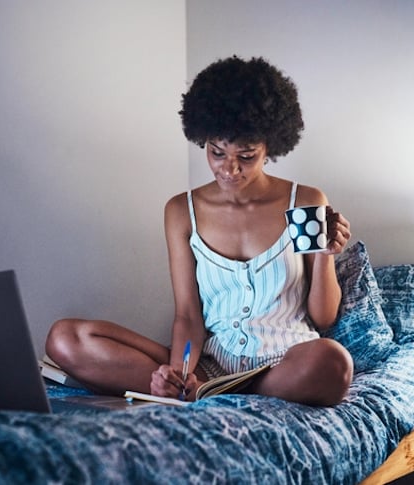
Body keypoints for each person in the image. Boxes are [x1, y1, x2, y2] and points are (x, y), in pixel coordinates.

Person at [46, 56, 353, 406]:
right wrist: (179, 374)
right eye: (217, 152)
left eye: (246, 156)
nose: (229, 169)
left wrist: (326, 255)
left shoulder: (305, 202)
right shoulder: (182, 212)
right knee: (66, 338)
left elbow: (323, 317)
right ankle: (199, 391)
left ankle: (230, 393)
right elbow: (188, 316)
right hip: (211, 364)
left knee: (334, 363)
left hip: (286, 363)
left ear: (270, 146)